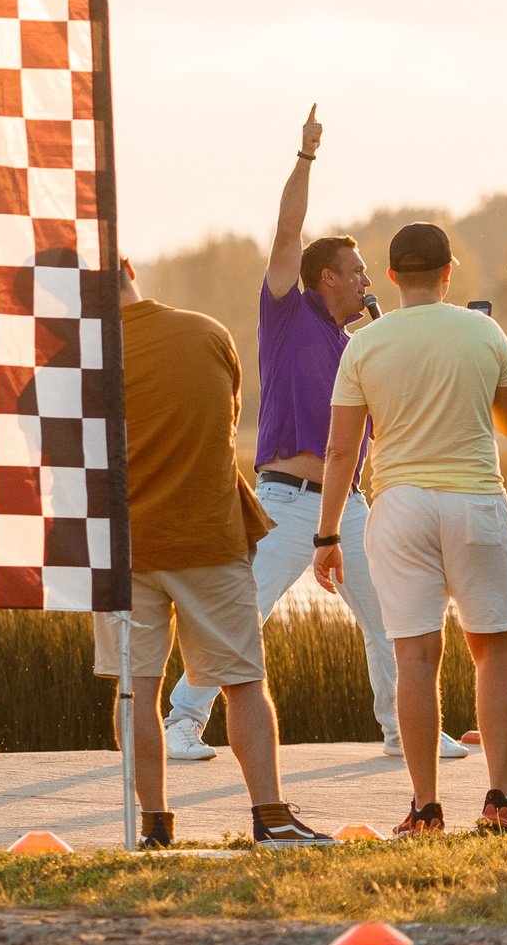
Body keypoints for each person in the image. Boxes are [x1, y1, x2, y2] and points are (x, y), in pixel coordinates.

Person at [161, 108, 466, 763]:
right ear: (325, 276)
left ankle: (400, 729)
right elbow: (288, 230)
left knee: (390, 614)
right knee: (244, 612)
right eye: (356, 272)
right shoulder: (287, 315)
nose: (365, 281)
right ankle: (182, 721)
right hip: (286, 501)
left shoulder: (357, 348)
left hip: (346, 506)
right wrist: (306, 156)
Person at [101, 257, 335, 846]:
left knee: (137, 689)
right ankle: (271, 818)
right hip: (208, 536)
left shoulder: (77, 361)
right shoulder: (207, 333)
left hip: (123, 551)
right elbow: (225, 422)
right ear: (128, 267)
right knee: (243, 683)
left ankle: (153, 826)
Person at [313, 223, 507, 835]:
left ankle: (426, 808)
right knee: (494, 650)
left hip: (400, 507)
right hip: (475, 502)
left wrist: (327, 536)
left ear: (390, 277)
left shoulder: (363, 345)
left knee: (415, 655)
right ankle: (500, 800)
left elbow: (339, 452)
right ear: (448, 271)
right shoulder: (484, 331)